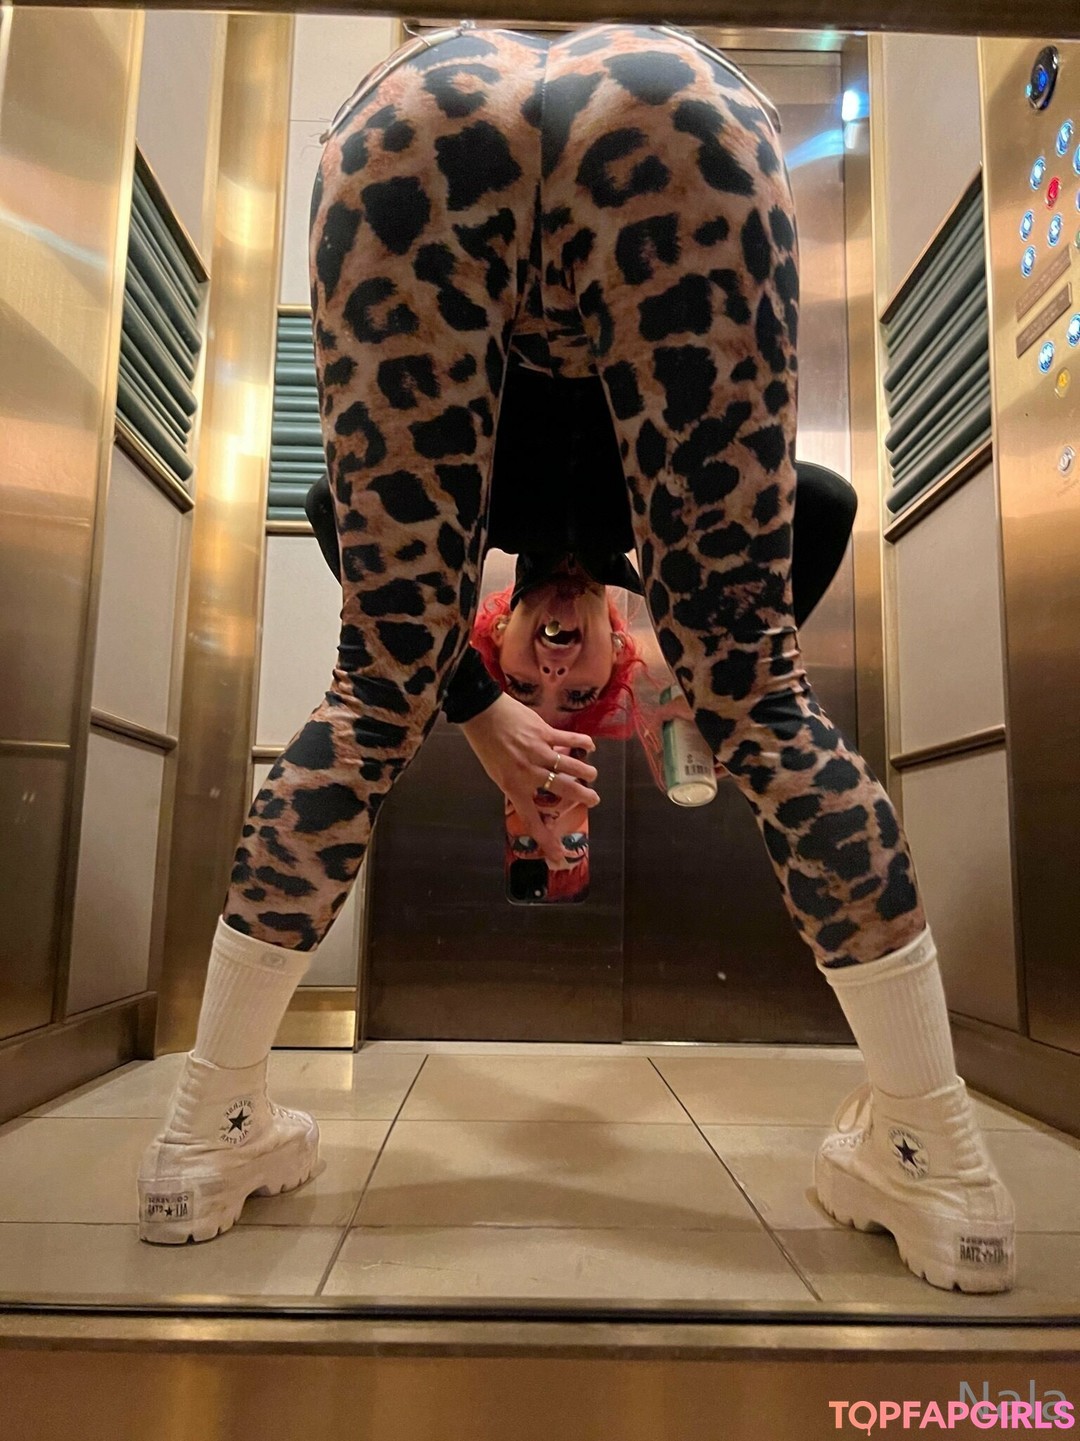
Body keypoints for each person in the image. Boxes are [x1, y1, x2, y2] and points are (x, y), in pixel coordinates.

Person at [138, 22, 1015, 1293]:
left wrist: (472, 700)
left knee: (374, 693)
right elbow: (817, 511)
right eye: (575, 685)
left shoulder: (492, 558)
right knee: (764, 696)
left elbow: (348, 530)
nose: (554, 665)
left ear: (490, 628)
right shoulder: (623, 564)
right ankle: (935, 1147)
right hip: (678, 109)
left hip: (415, 114)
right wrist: (699, 672)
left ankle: (204, 1127)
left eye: (538, 677)